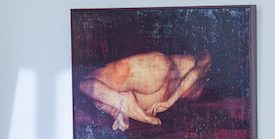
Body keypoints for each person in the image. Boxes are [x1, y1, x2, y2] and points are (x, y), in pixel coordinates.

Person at [79, 51, 212, 131]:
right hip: (158, 71)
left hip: (152, 96)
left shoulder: (196, 86)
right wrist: (168, 103)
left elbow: (194, 76)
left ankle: (118, 107)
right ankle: (120, 104)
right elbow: (196, 72)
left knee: (96, 96)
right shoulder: (191, 63)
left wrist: (168, 102)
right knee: (86, 85)